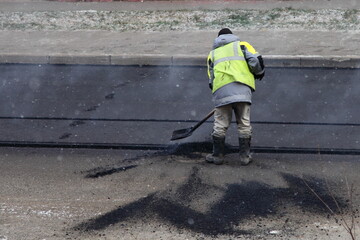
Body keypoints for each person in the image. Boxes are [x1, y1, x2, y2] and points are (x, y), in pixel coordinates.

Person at [206, 28, 265, 165]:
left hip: (221, 90)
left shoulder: (212, 54)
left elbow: (211, 79)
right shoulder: (242, 45)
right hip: (242, 88)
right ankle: (244, 157)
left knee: (220, 124)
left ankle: (218, 156)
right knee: (244, 123)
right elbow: (255, 61)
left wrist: (220, 94)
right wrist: (259, 72)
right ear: (232, 36)